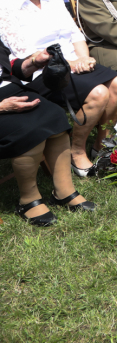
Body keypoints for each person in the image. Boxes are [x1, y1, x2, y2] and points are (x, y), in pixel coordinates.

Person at [1, 0, 117, 174]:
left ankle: (102, 145)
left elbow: (75, 33)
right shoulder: (4, 8)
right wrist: (72, 64)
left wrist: (85, 58)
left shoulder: (53, 0)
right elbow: (24, 52)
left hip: (74, 62)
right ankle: (76, 151)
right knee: (99, 93)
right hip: (41, 73)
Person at [0, 35, 95, 225]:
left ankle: (63, 191)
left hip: (9, 90)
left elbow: (8, 68)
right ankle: (28, 200)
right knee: (27, 129)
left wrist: (35, 62)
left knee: (54, 115)